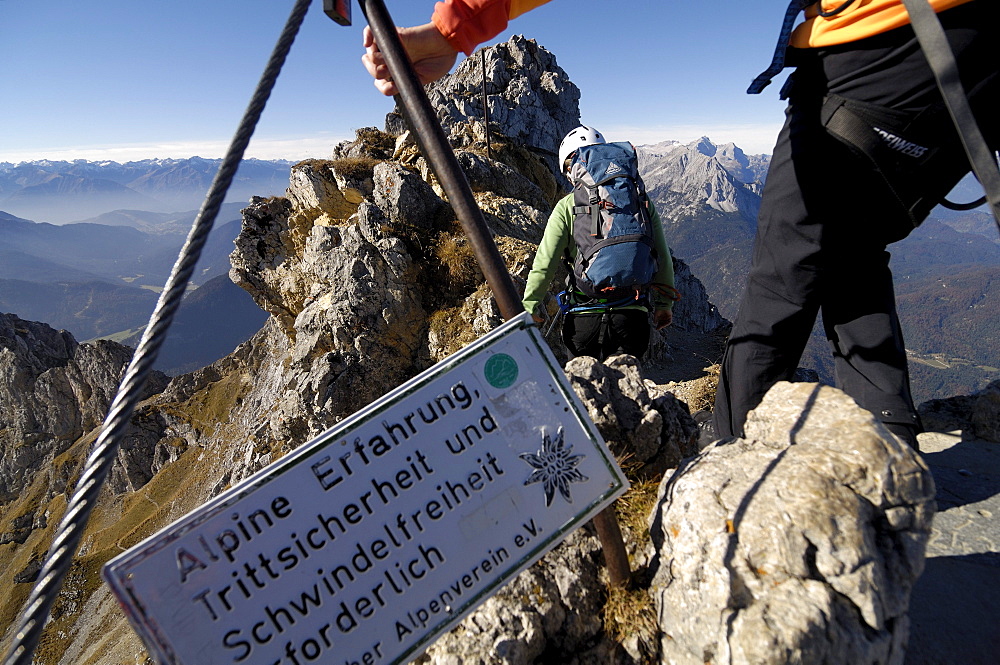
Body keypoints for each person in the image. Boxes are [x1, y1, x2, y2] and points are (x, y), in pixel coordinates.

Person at [362, 0, 999, 448]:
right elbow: (661, 252)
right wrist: (665, 299)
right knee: (854, 245)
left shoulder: (568, 204)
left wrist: (456, 26)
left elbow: (547, 259)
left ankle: (728, 470)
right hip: (978, 65)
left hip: (883, 44)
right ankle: (888, 434)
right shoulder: (636, 196)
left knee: (782, 283)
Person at [521, 126, 677, 362]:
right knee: (626, 392)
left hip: (583, 322)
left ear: (571, 170)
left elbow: (545, 263)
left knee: (584, 392)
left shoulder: (567, 206)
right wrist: (665, 305)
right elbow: (662, 258)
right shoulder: (641, 203)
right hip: (632, 320)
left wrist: (530, 306)